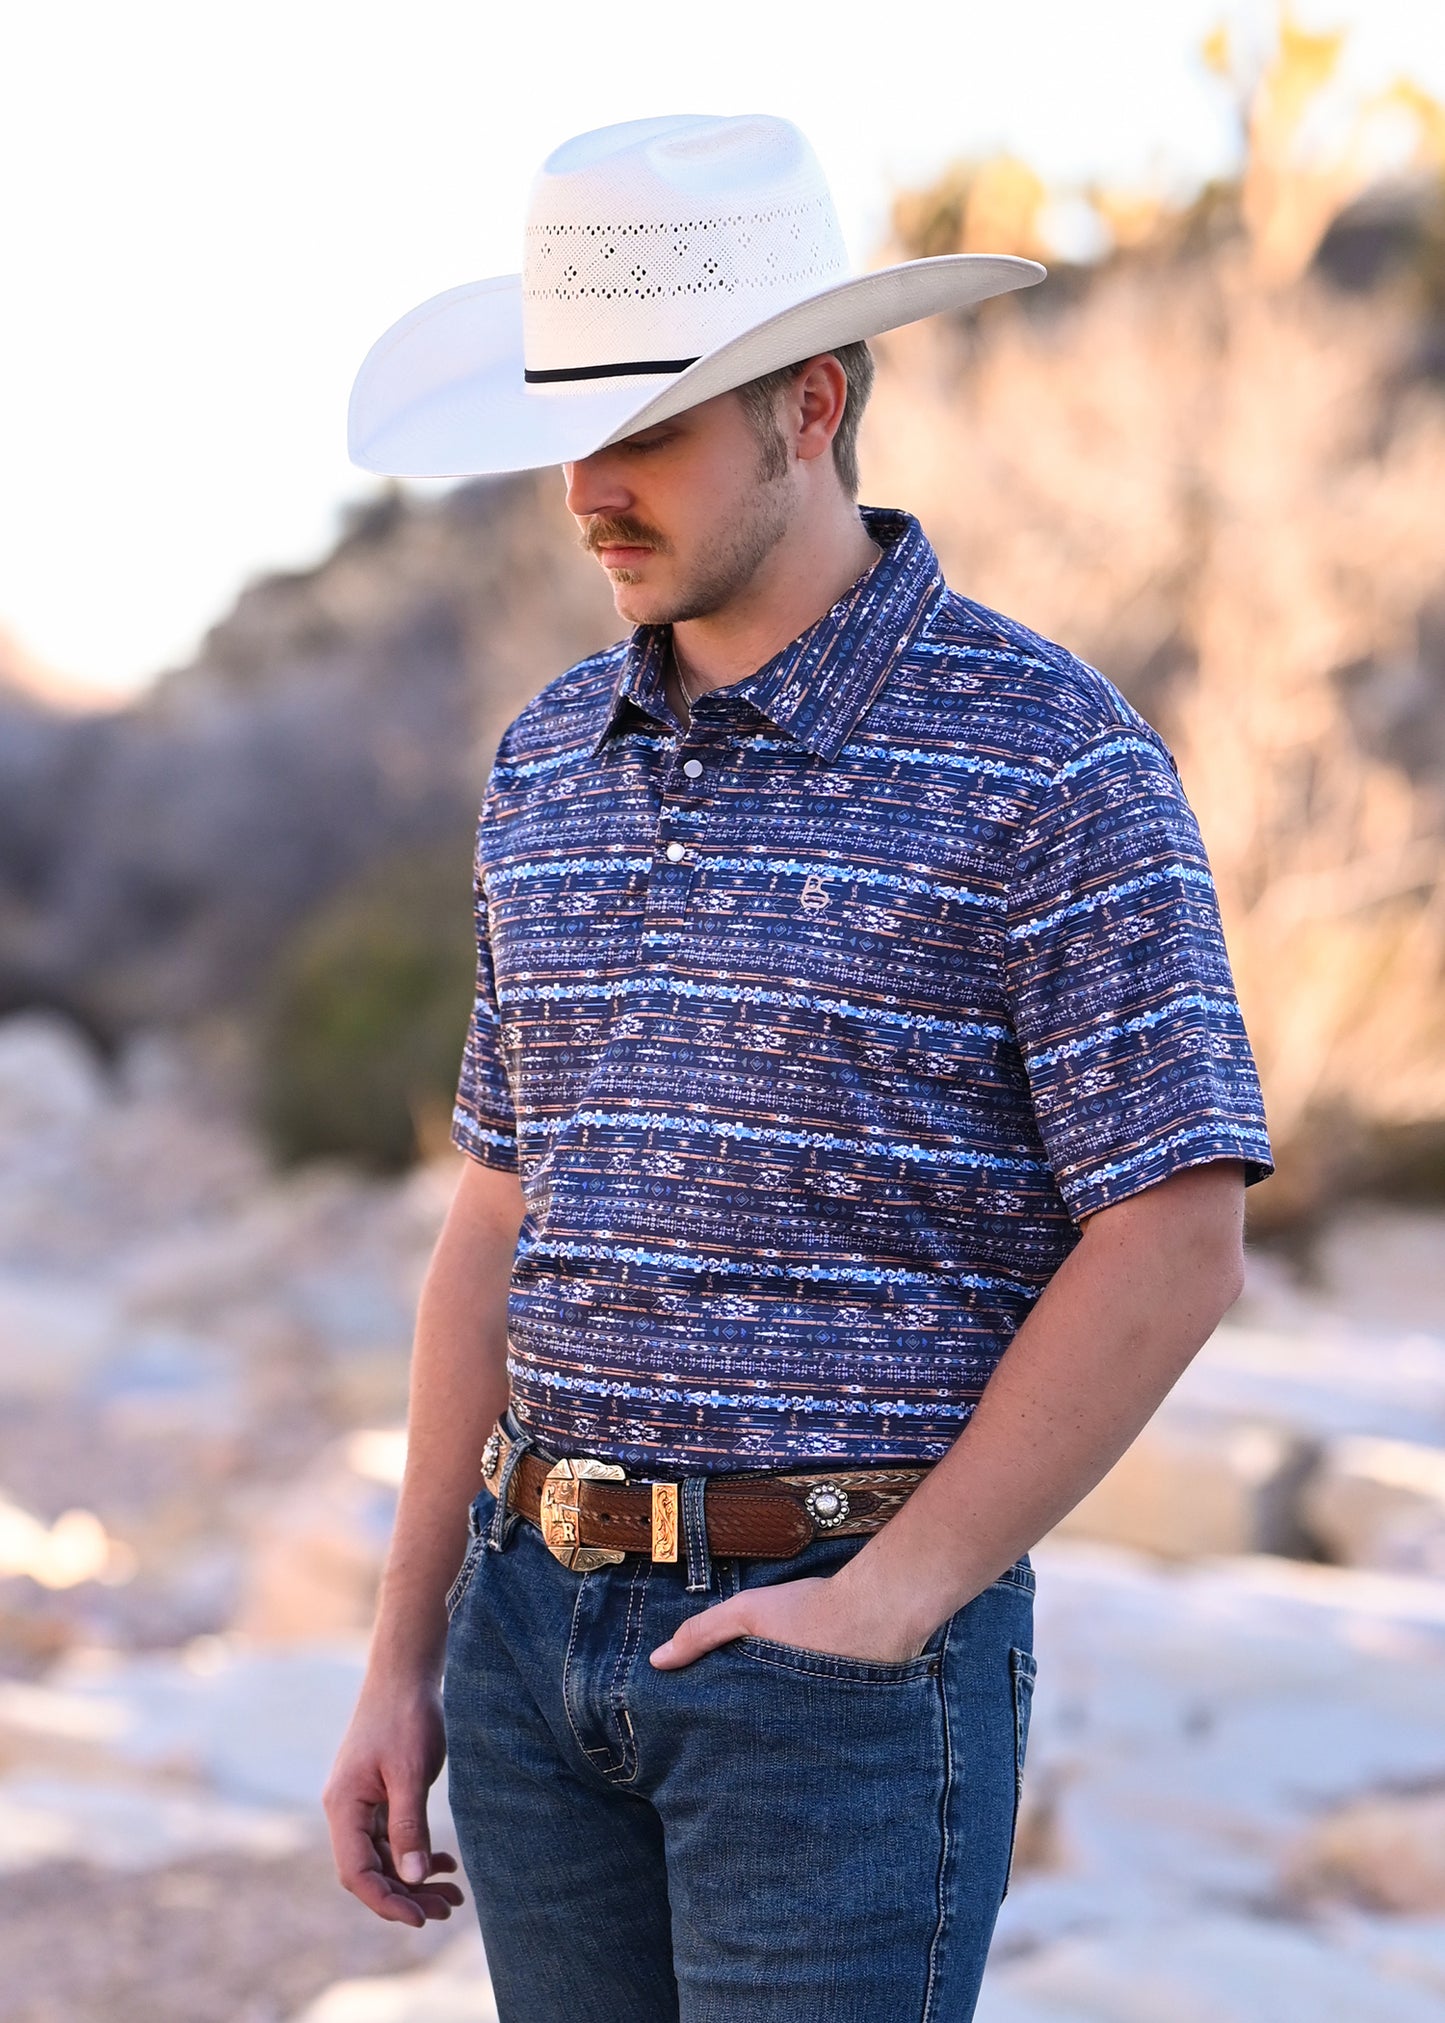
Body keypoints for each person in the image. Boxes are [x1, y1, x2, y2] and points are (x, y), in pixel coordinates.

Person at [324, 113, 1274, 2022]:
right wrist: (404, 1650)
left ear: (810, 405)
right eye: (572, 432)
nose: (590, 490)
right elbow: (496, 1214)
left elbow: (1174, 1236)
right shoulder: (545, 762)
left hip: (834, 1677)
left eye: (651, 429)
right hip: (525, 1631)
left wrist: (891, 1603)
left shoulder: (1048, 758)